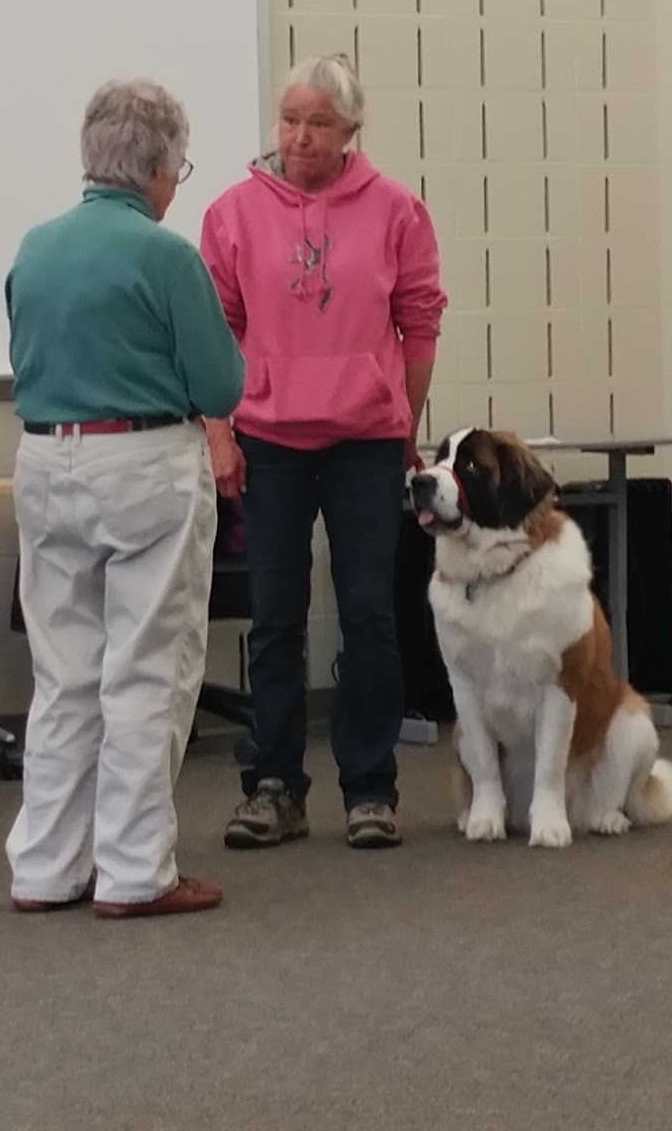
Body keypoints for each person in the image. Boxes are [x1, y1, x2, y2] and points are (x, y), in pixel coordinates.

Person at [5, 79, 245, 918]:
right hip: (144, 466)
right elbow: (221, 382)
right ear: (153, 169)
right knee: (146, 673)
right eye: (178, 167)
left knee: (64, 676)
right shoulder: (167, 255)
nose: (177, 182)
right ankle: (137, 872)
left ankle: (45, 866)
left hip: (44, 464)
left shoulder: (35, 246)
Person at [200, 54, 447, 850]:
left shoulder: (397, 210)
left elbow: (420, 319)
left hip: (366, 442)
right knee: (275, 617)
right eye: (290, 120)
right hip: (267, 437)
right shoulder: (234, 212)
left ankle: (370, 790)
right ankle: (274, 785)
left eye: (319, 124)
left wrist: (404, 417)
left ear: (350, 133)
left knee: (371, 614)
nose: (300, 138)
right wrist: (218, 430)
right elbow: (216, 330)